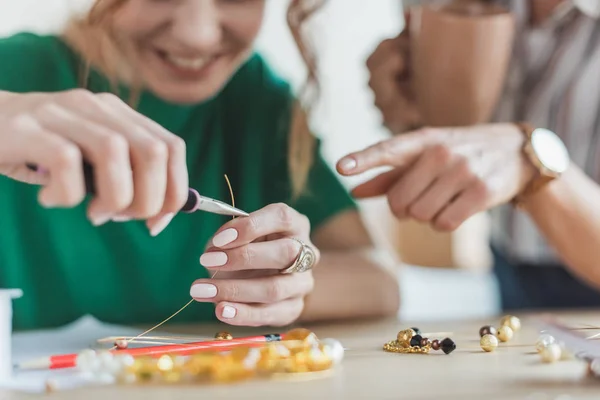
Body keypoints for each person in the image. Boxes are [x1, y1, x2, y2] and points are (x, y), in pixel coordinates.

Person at [0, 0, 400, 331]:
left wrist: (291, 283)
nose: (198, 34)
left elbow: (380, 281)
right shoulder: (14, 79)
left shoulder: (256, 101)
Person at [337, 0, 600, 310]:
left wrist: (531, 159)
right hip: (507, 265)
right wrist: (412, 114)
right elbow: (457, 133)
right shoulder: (457, 6)